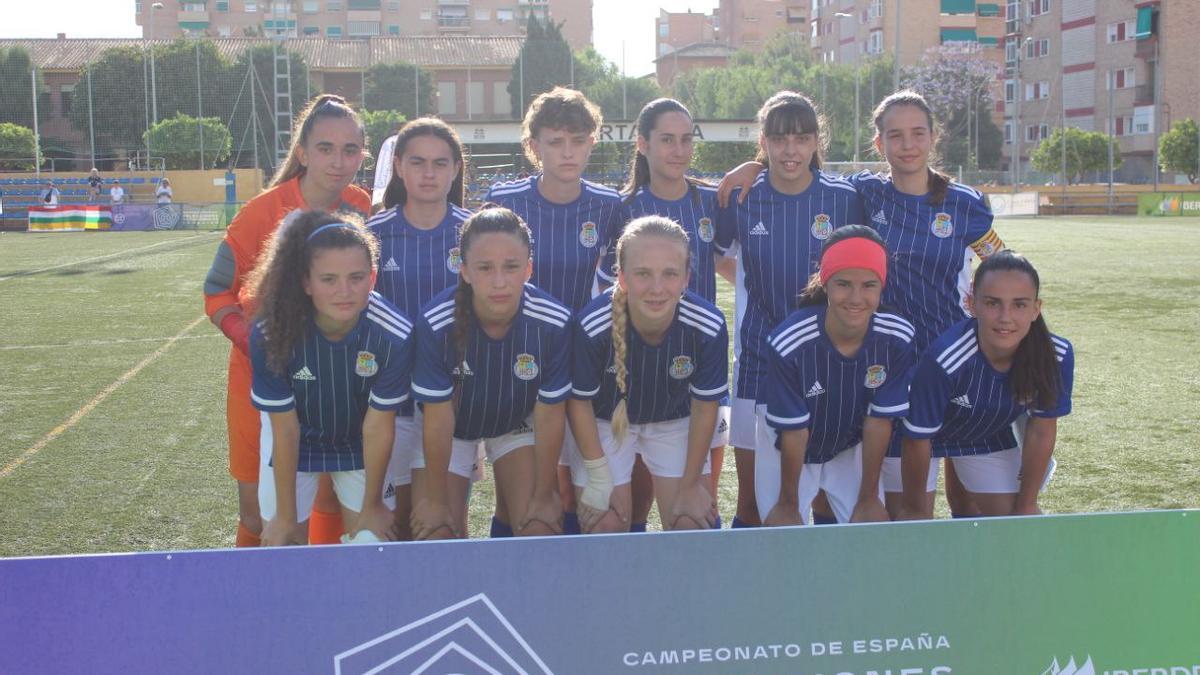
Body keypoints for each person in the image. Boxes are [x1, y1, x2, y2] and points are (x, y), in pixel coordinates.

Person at [718, 89, 1009, 520]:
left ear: (934, 137)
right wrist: (755, 165)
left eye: (917, 133)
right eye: (895, 135)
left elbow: (1000, 262)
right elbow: (792, 169)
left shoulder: (961, 203)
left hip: (952, 360)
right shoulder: (866, 192)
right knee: (902, 507)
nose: (907, 145)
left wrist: (989, 309)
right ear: (880, 144)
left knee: (967, 501)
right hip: (883, 361)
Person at [202, 93, 371, 547]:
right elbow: (216, 293)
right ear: (301, 152)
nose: (339, 161)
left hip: (336, 381)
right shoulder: (261, 212)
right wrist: (258, 345)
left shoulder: (363, 209)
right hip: (263, 382)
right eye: (325, 148)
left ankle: (323, 601)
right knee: (259, 514)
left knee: (331, 499)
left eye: (350, 150)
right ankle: (254, 609)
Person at [713, 91, 864, 529]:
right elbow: (718, 255)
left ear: (817, 141)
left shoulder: (844, 197)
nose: (790, 150)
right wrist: (752, 287)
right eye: (779, 139)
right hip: (759, 362)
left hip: (830, 362)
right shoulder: (742, 197)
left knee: (822, 495)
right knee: (752, 503)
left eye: (801, 138)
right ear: (764, 142)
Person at [484, 87, 623, 536]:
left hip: (582, 363)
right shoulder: (504, 199)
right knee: (521, 504)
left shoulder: (608, 205)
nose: (568, 152)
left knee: (585, 498)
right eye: (555, 141)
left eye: (578, 140)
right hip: (516, 360)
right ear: (533, 145)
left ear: (592, 142)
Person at [604, 97, 735, 532]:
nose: (678, 150)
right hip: (635, 373)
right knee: (633, 509)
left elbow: (725, 261)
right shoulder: (622, 210)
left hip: (697, 372)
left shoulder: (711, 202)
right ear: (642, 144)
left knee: (695, 506)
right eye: (666, 140)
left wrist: (749, 168)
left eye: (685, 140)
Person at [245, 211, 414, 546]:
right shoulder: (271, 333)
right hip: (295, 438)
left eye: (356, 277)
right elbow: (285, 427)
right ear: (306, 282)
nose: (344, 291)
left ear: (373, 278)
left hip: (358, 440)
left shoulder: (394, 333)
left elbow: (378, 426)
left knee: (371, 543)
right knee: (283, 546)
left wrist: (372, 505)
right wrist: (285, 516)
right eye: (328, 279)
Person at [409, 207, 574, 539]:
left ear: (528, 269)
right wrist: (436, 499)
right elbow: (438, 420)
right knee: (437, 532)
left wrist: (545, 494)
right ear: (464, 270)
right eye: (485, 268)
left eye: (511, 267)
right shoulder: (436, 323)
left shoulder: (554, 323)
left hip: (515, 421)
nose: (499, 281)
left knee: (538, 526)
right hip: (452, 429)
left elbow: (549, 414)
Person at [569, 216, 728, 532]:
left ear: (686, 278)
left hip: (675, 420)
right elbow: (579, 404)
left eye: (670, 274)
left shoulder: (707, 325)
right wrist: (599, 477)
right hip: (606, 421)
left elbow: (704, 406)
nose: (657, 288)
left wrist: (691, 483)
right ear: (622, 277)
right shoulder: (592, 325)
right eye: (643, 274)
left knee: (691, 523)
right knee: (606, 524)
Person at [759, 225, 916, 526]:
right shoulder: (789, 342)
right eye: (843, 283)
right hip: (785, 442)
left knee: (870, 530)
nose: (856, 297)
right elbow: (794, 432)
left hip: (849, 440)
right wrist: (788, 503)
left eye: (869, 285)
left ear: (881, 286)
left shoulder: (897, 337)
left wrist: (868, 496)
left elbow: (879, 421)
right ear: (825, 281)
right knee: (783, 533)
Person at [898, 251, 1073, 519]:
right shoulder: (945, 359)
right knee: (910, 525)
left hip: (983, 430)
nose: (1005, 317)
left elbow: (1041, 430)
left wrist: (1027, 504)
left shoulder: (1055, 355)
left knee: (1011, 524)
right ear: (971, 303)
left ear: (1036, 309)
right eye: (993, 303)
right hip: (918, 438)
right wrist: (914, 509)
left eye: (1019, 305)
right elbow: (917, 439)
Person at [367, 117, 474, 539]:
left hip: (453, 407)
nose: (429, 173)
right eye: (418, 162)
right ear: (398, 167)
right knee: (393, 529)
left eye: (440, 163)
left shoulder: (474, 234)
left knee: (445, 524)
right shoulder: (373, 236)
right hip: (388, 408)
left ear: (455, 169)